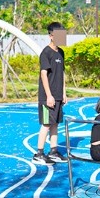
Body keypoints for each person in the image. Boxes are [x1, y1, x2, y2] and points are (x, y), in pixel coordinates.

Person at [32, 22, 67, 165]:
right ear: (51, 36)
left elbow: (63, 73)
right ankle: (39, 153)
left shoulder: (61, 52)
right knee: (46, 124)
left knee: (55, 124)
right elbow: (43, 74)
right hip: (48, 97)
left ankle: (53, 151)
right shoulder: (45, 53)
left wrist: (64, 93)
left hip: (58, 96)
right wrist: (49, 96)